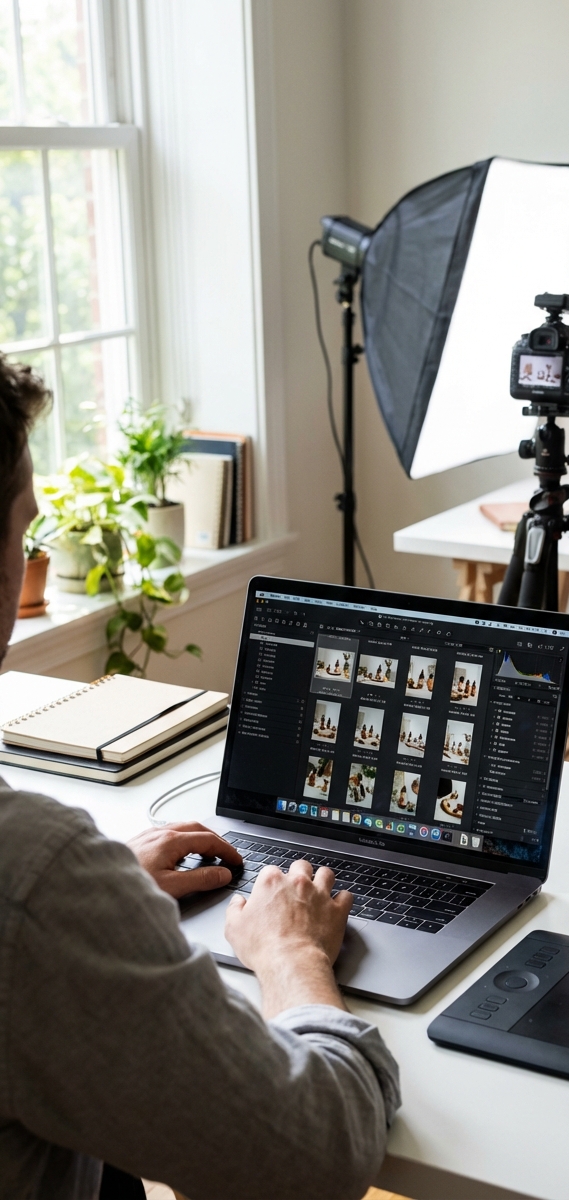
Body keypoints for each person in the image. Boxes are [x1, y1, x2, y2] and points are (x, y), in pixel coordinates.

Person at [0, 356, 399, 1200]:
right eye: (25, 533)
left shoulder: (38, 877)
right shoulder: (28, 872)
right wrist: (291, 954)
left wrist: (89, 895)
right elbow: (318, 1153)